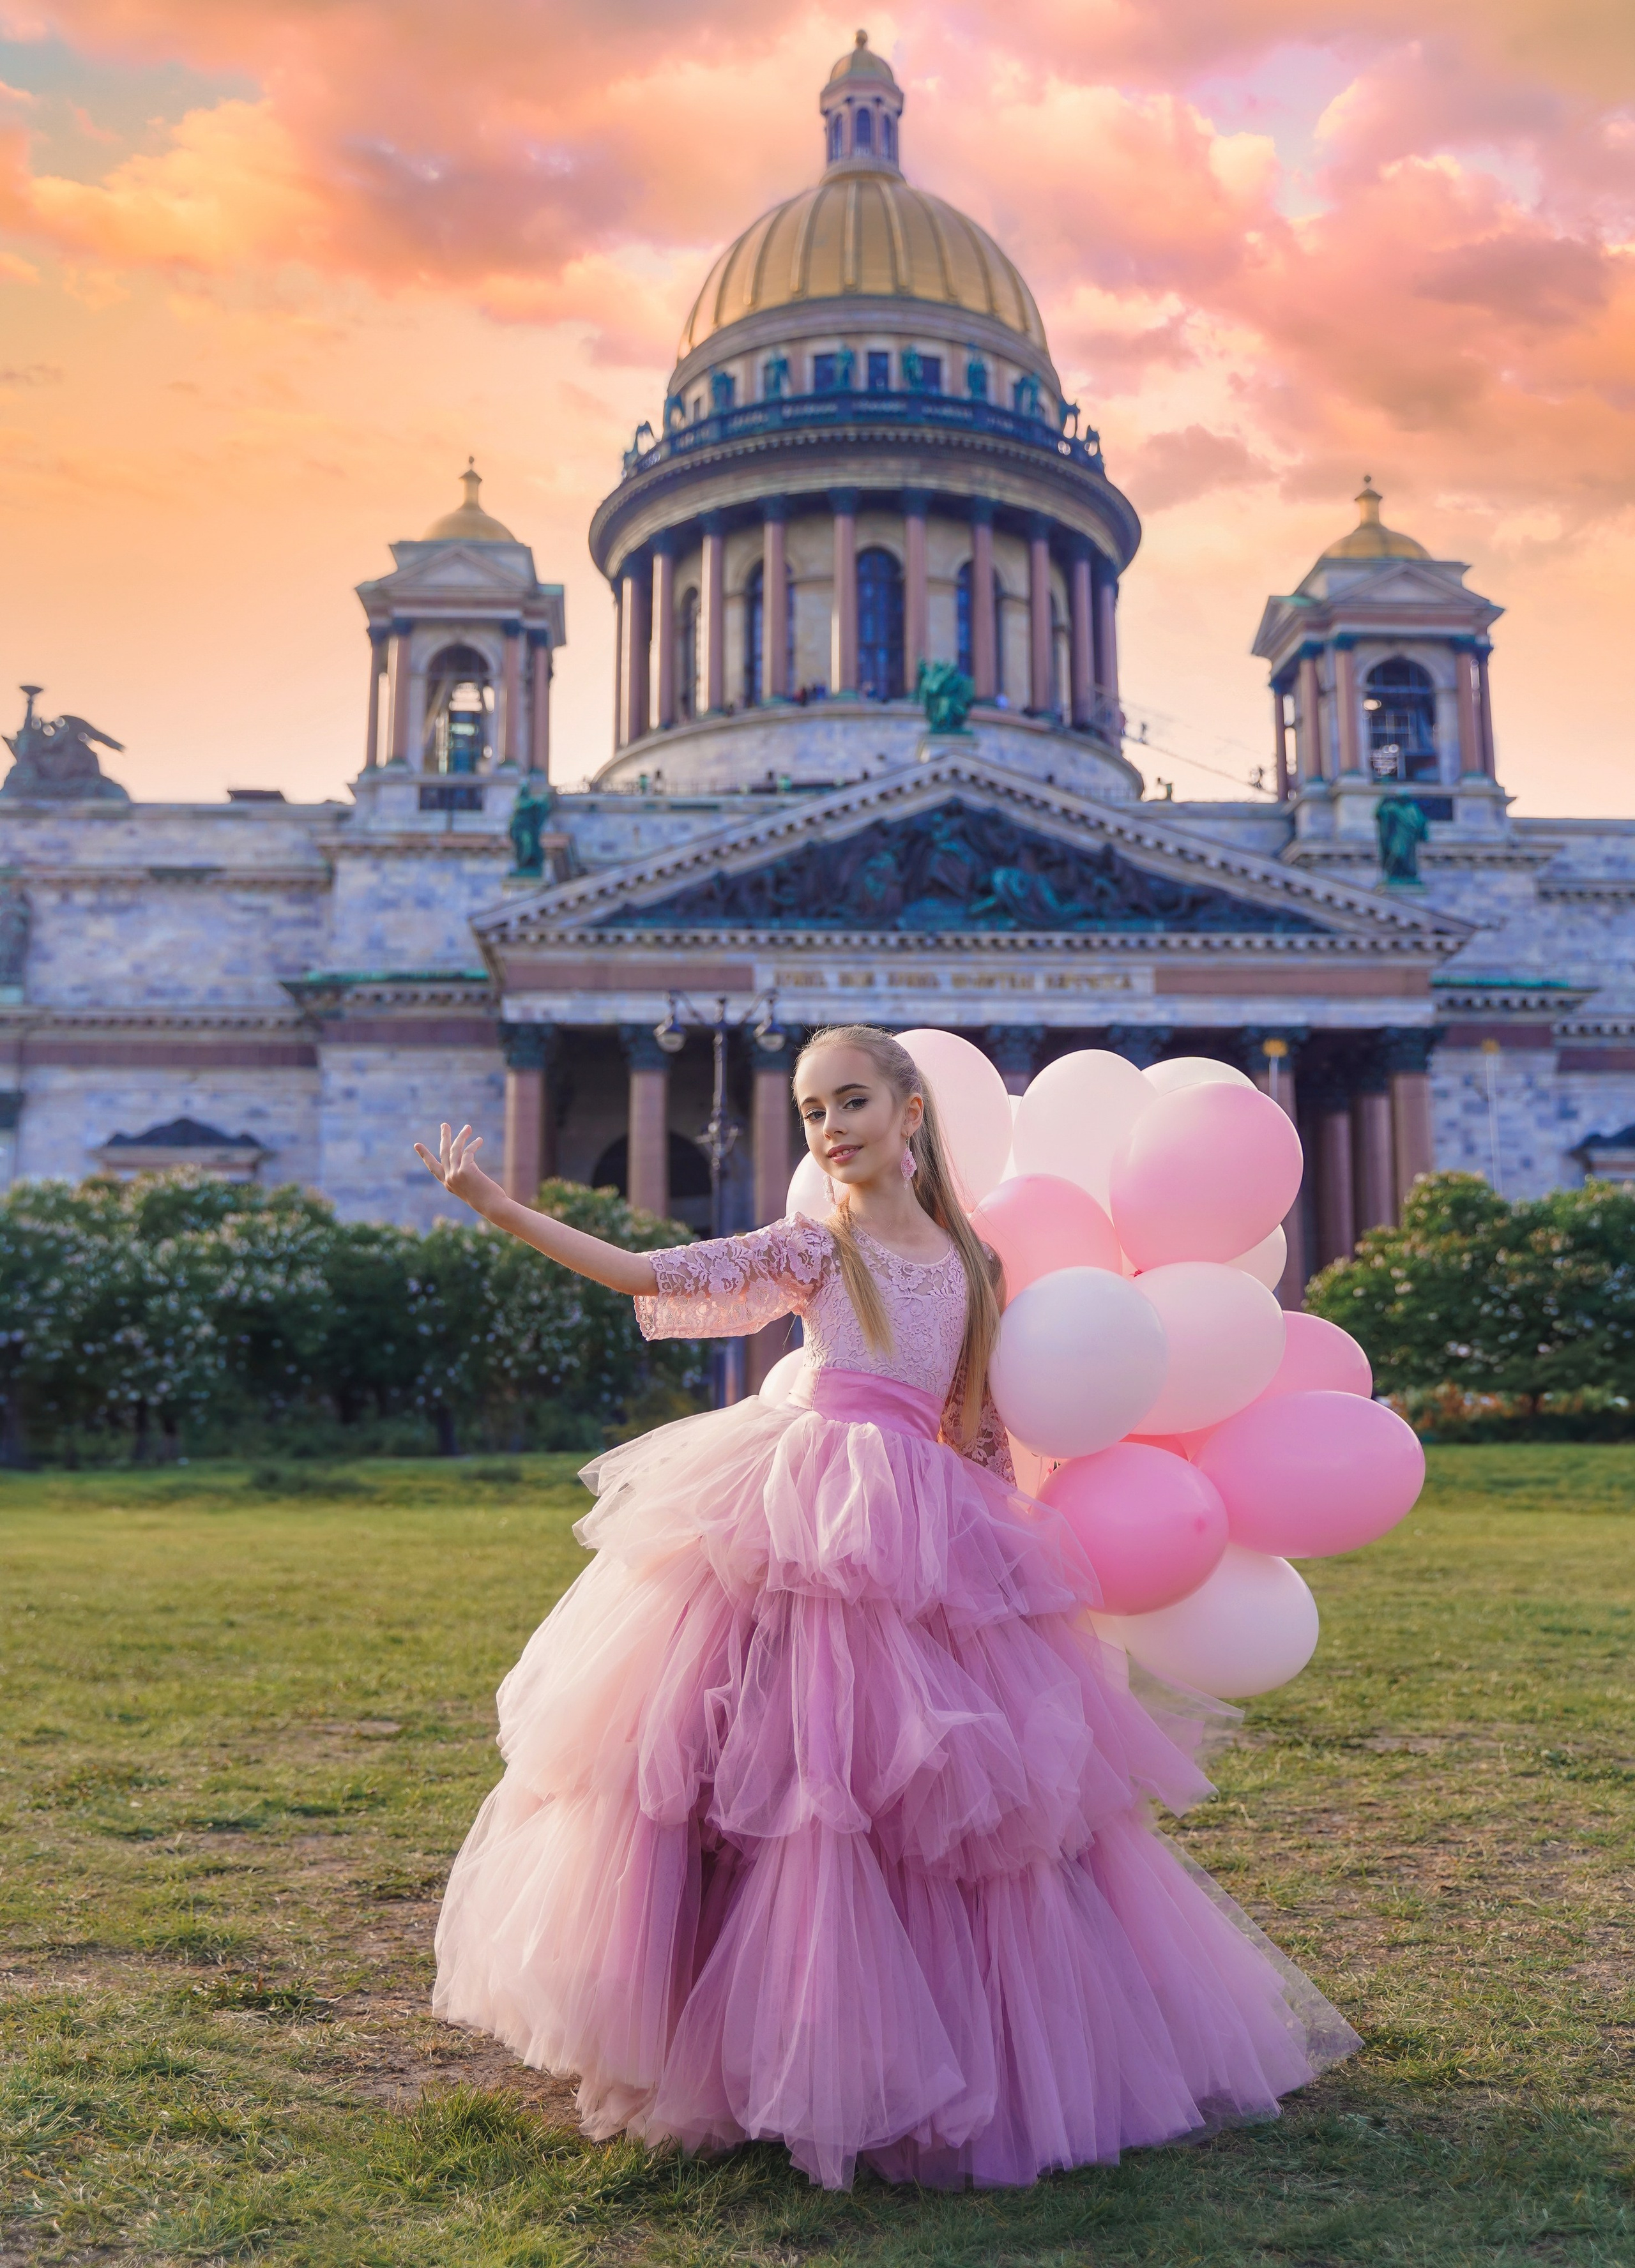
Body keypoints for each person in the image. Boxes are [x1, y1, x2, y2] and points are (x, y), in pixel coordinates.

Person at [414, 1024, 1358, 2191]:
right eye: (813, 1113)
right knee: (768, 1775)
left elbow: (976, 1426)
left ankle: (918, 2043)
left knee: (930, 1806)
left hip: (932, 1525)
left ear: (912, 1112)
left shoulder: (975, 1265)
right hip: (799, 1504)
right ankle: (733, 2035)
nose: (831, 1129)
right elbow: (657, 1275)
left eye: (851, 1102)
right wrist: (500, 1208)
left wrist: (1004, 1562)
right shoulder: (818, 1247)